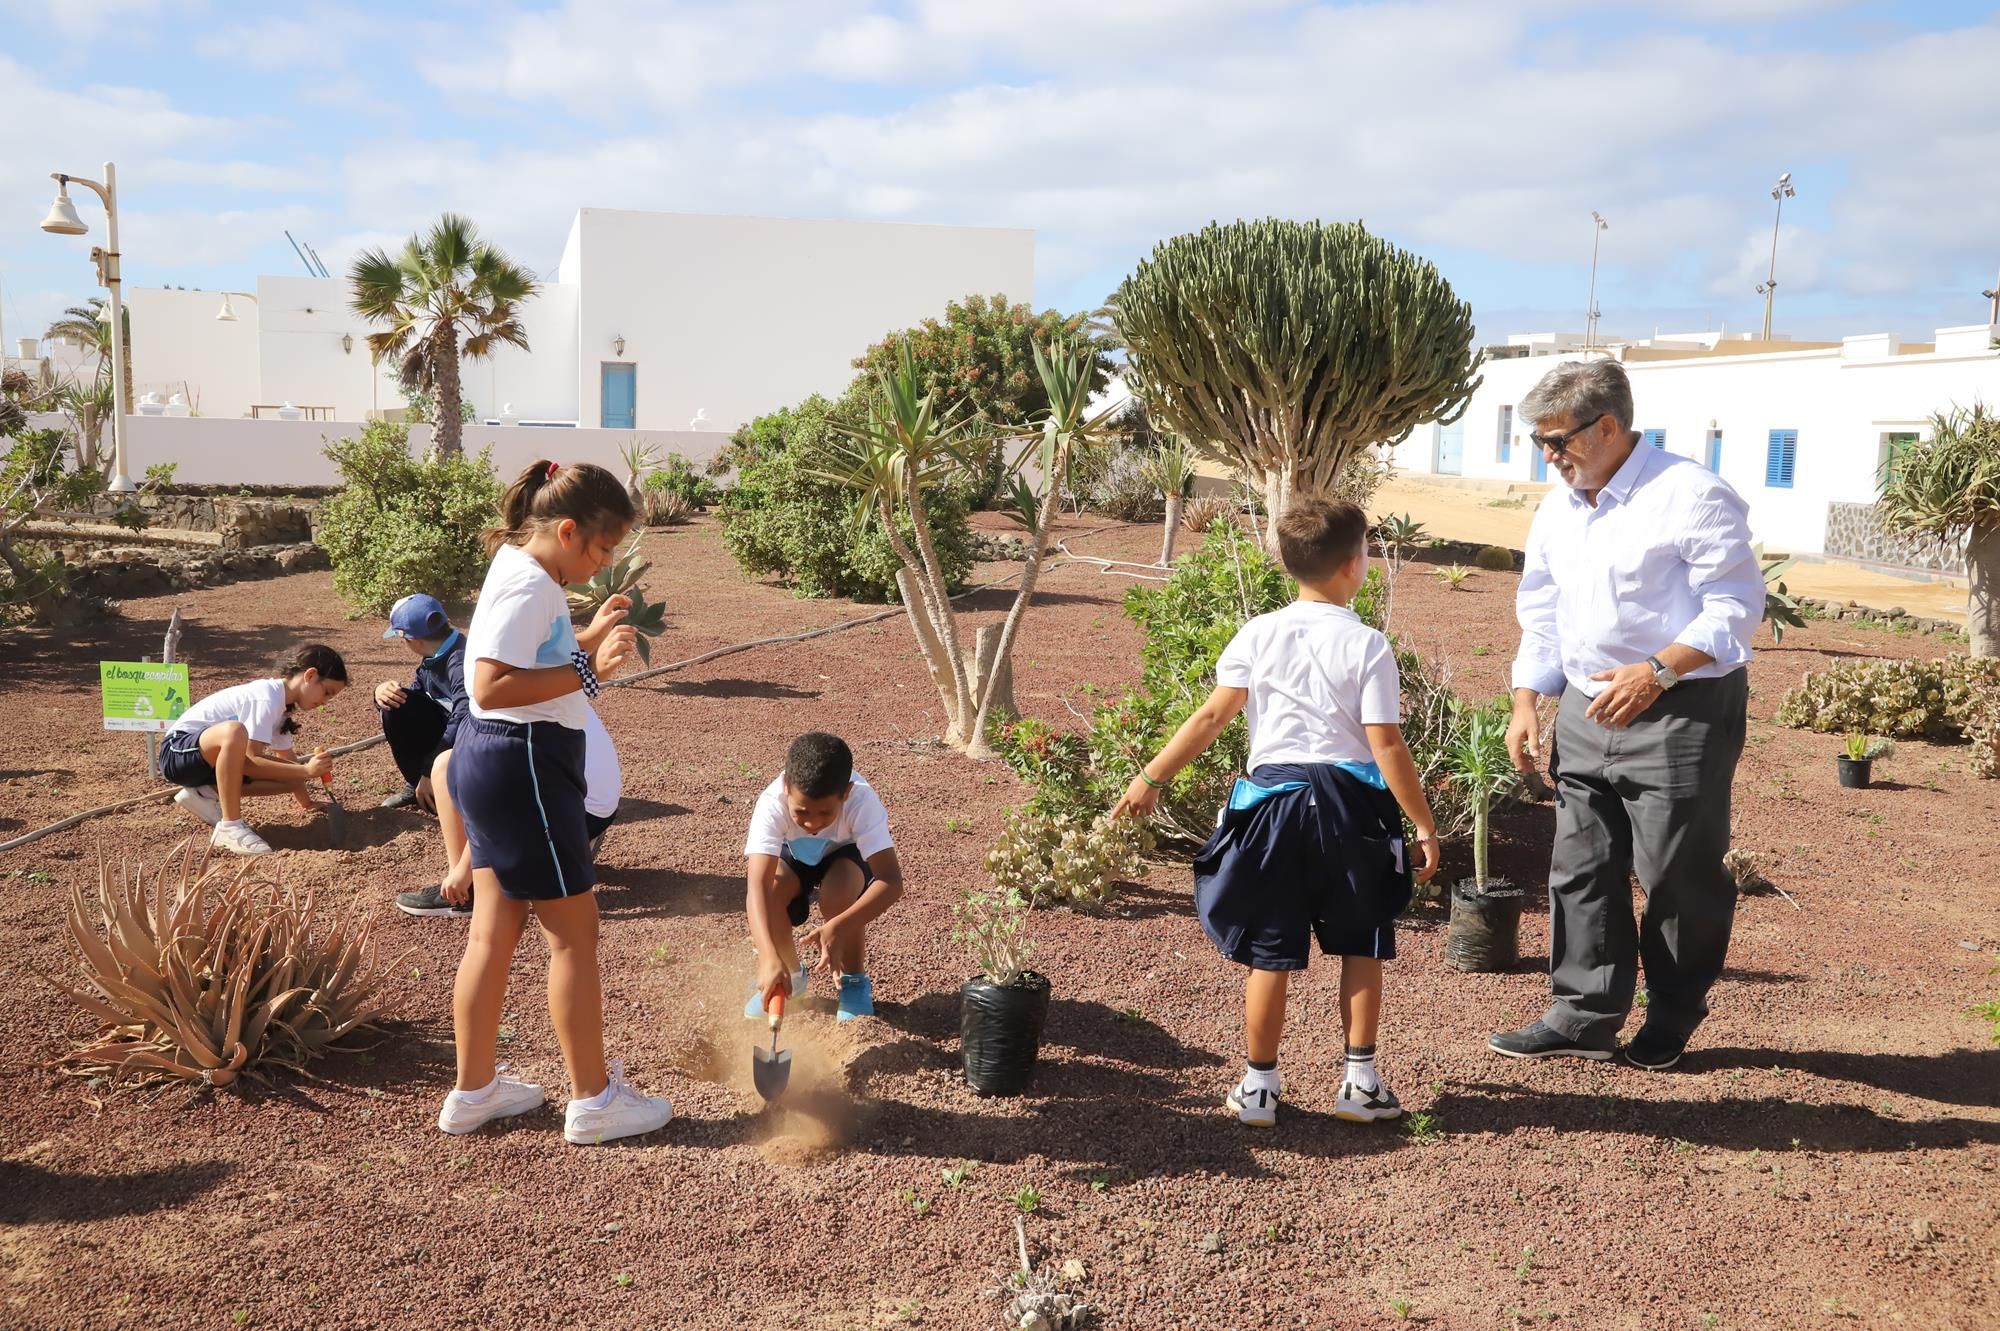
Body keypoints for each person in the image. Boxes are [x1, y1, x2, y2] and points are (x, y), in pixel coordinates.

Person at [1113, 498, 1440, 1129]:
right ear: (1354, 565)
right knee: (1363, 939)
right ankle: (1359, 1083)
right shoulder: (1369, 645)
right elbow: (1386, 744)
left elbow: (1213, 715)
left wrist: (1152, 776)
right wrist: (1423, 824)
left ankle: (1259, 1088)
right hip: (1353, 808)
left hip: (1272, 805)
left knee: (1270, 948)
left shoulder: (1258, 633)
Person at [1492, 358, 1761, 1072]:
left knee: (1678, 872)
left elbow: (1735, 608)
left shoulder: (1693, 495)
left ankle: (1671, 1016)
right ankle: (1582, 1012)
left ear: (1607, 426)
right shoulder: (1559, 506)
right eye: (1539, 443)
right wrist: (1528, 698)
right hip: (1585, 706)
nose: (1548, 457)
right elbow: (1542, 610)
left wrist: (1657, 670)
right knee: (1580, 864)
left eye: (1557, 440)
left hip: (1681, 706)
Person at [436, 458, 673, 1145]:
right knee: (574, 935)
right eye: (600, 549)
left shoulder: (520, 567)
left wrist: (586, 636)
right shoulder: (531, 585)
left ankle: (474, 1090)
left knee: (492, 932)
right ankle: (595, 1101)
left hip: (497, 760)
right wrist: (585, 669)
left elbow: (520, 659)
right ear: (567, 530)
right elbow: (491, 683)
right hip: (528, 766)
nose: (601, 565)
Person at [396, 705, 622, 918]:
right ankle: (570, 843)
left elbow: (506, 794)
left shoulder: (502, 696)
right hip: (598, 806)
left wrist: (464, 871)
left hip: (570, 810)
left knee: (447, 767)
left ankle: (467, 892)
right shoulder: (537, 673)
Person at [744, 732, 903, 1024]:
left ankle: (853, 980)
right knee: (773, 888)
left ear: (846, 793)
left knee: (838, 895)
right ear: (787, 787)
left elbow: (891, 880)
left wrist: (840, 926)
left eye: (825, 813)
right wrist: (768, 956)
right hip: (796, 855)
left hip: (847, 855)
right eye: (801, 812)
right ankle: (790, 976)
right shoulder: (771, 803)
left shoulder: (862, 801)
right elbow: (757, 887)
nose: (812, 823)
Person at [159, 644, 349, 856]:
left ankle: (204, 792)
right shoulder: (266, 697)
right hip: (177, 752)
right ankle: (230, 827)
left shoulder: (283, 709)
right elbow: (249, 762)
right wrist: (306, 771)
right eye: (327, 692)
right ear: (310, 675)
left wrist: (307, 800)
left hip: (203, 764)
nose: (324, 702)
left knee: (292, 774)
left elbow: (288, 760)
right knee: (234, 731)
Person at [375, 593, 466, 812]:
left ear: (413, 640)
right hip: (448, 729)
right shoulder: (434, 655)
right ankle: (416, 786)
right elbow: (417, 695)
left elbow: (464, 718)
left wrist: (429, 770)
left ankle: (445, 789)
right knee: (395, 706)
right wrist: (380, 694)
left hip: (469, 738)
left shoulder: (460, 662)